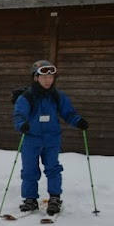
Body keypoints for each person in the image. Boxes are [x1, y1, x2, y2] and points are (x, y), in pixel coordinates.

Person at [13, 60, 89, 216]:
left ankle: (55, 198)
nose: (48, 80)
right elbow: (19, 115)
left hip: (51, 139)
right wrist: (22, 124)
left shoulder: (57, 96)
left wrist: (78, 121)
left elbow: (69, 113)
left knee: (53, 168)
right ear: (36, 78)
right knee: (29, 170)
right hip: (31, 139)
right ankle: (30, 199)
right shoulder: (26, 97)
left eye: (51, 77)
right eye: (44, 77)